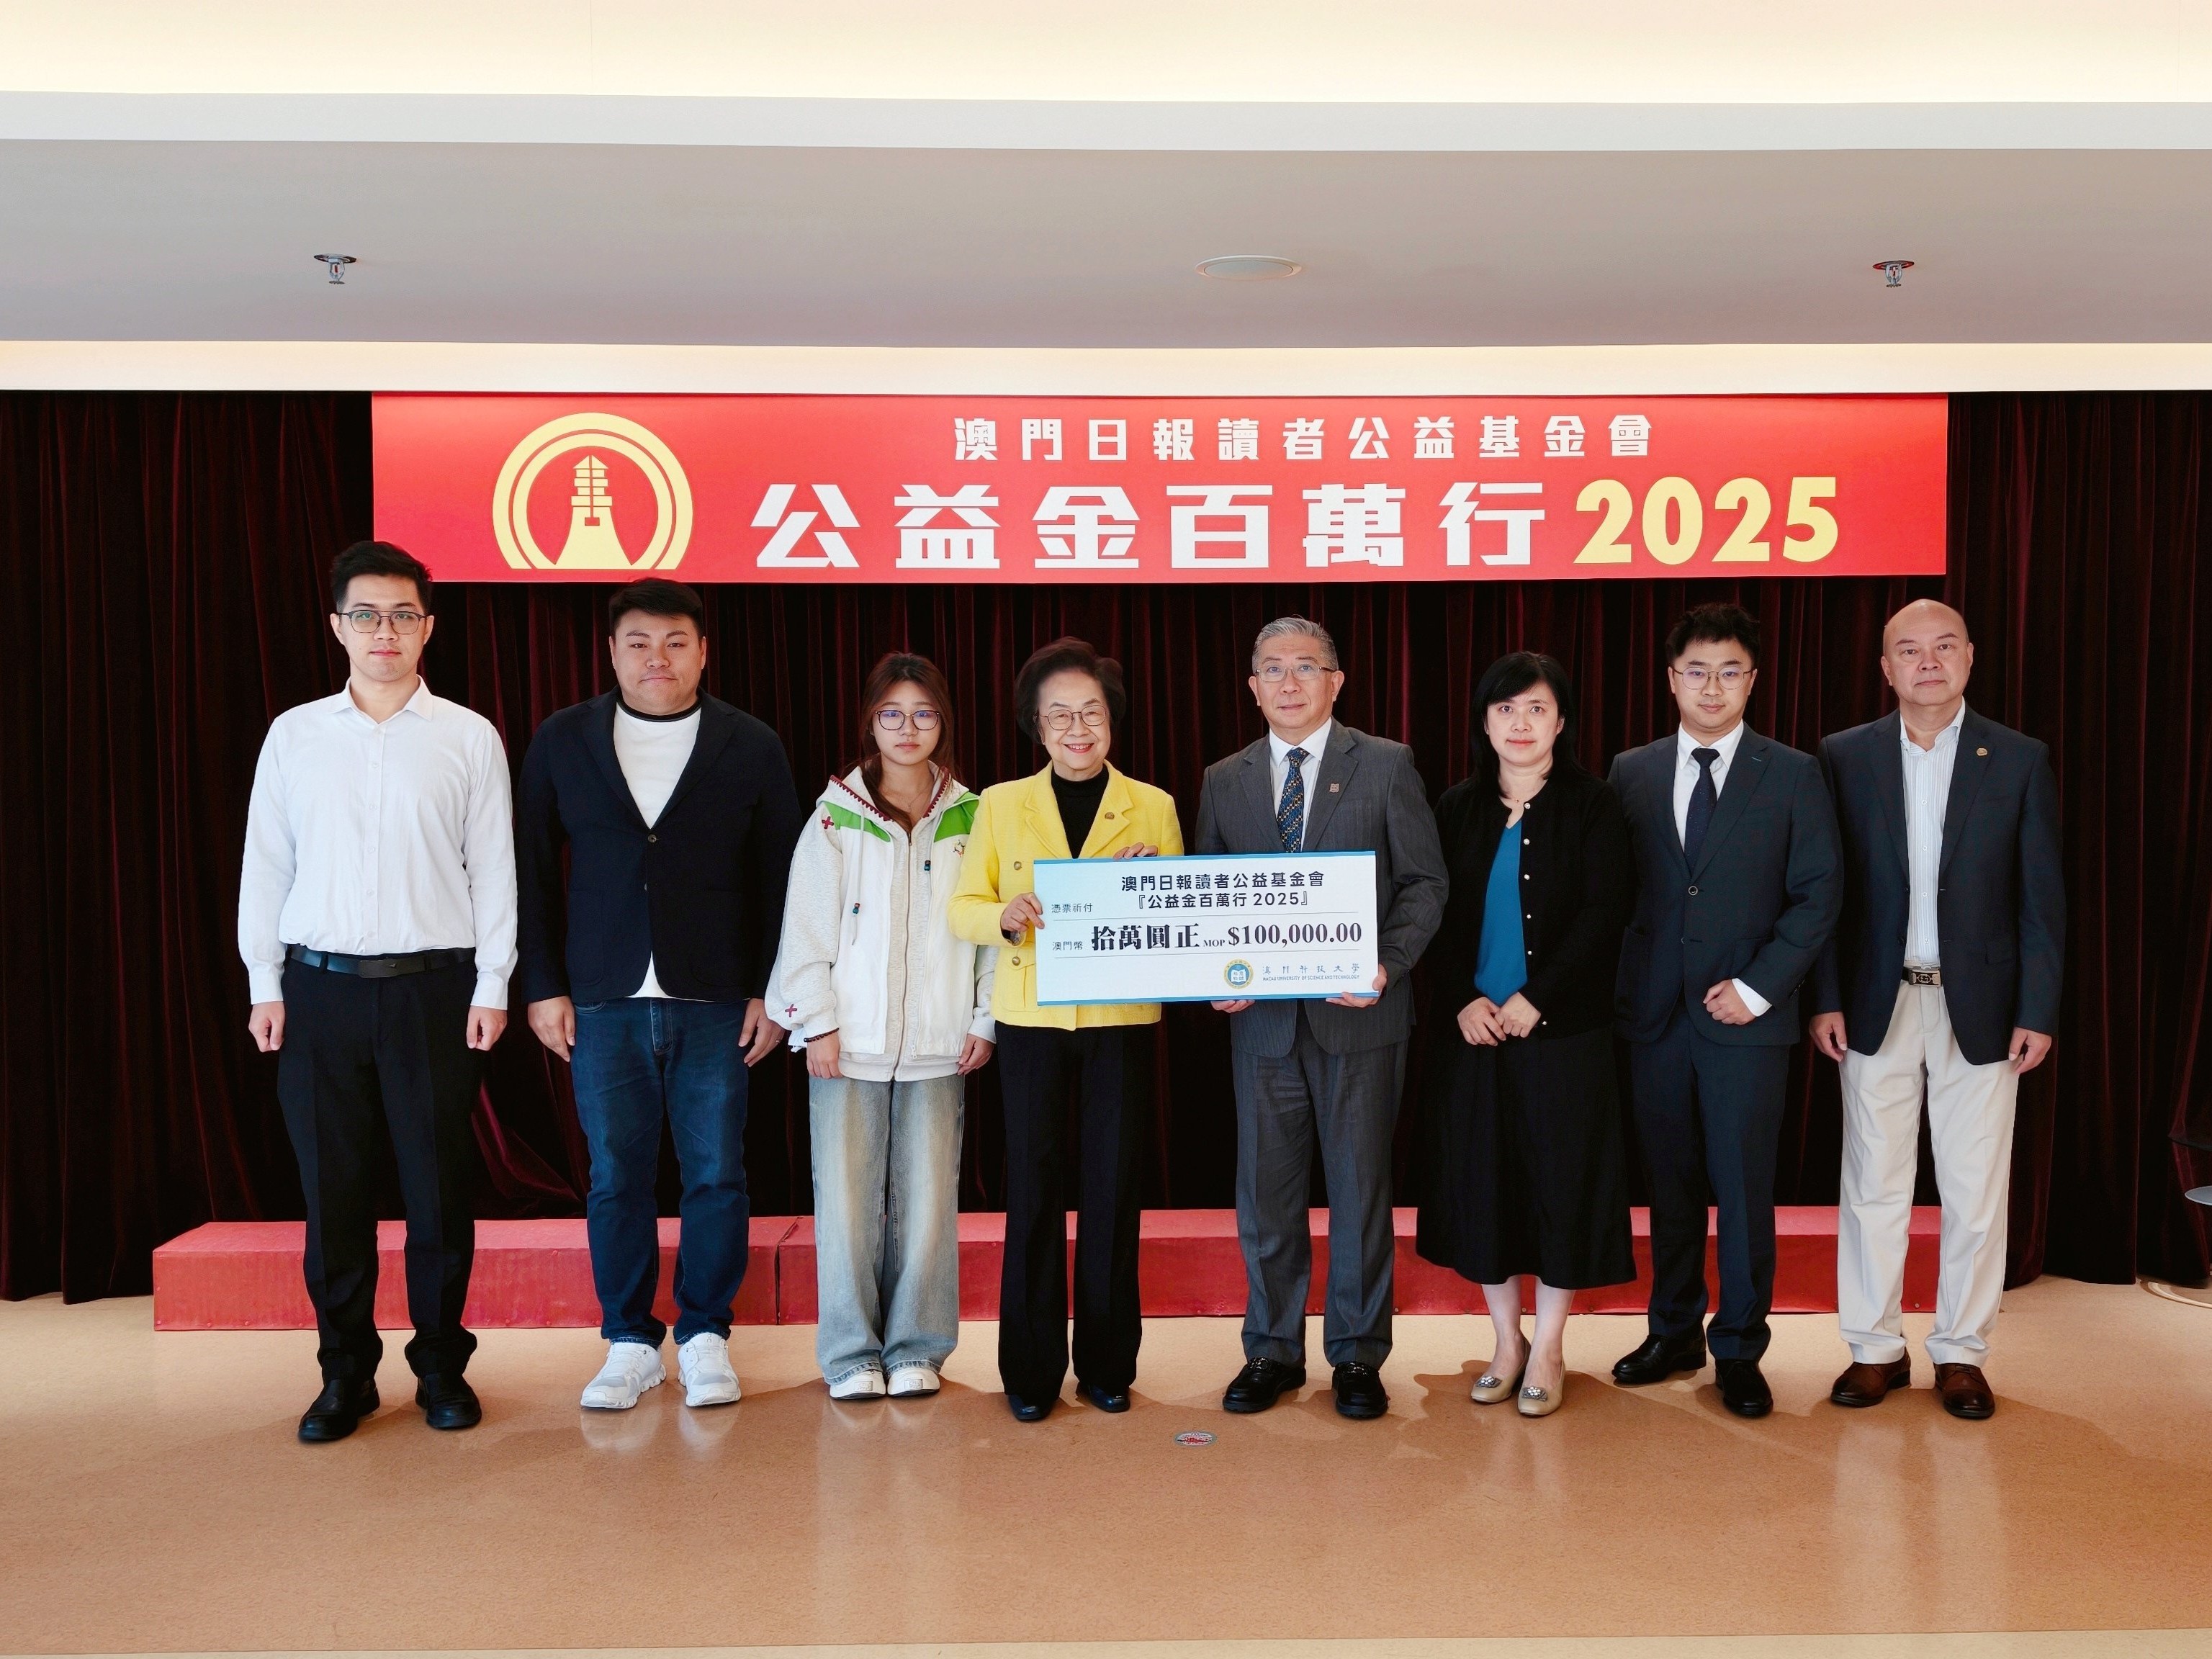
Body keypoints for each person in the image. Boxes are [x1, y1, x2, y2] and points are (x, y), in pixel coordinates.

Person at [238, 539, 516, 1443]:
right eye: (365, 615)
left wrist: (494, 983)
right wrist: (264, 981)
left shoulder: (468, 736)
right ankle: (344, 1374)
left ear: (428, 627)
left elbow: (495, 870)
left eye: (402, 615)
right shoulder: (295, 735)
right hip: (317, 993)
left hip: (434, 992)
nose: (384, 632)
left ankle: (441, 1367)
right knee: (335, 1197)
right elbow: (266, 864)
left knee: (438, 1192)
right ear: (337, 626)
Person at [516, 578, 804, 1413]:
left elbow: (784, 878)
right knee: (616, 1177)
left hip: (715, 998)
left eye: (676, 642)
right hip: (601, 997)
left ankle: (707, 1332)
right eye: (639, 642)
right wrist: (543, 985)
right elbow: (529, 870)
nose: (657, 658)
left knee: (716, 1174)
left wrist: (773, 990)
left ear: (703, 651)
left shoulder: (750, 743)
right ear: (612, 651)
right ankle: (630, 1341)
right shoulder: (564, 739)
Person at [1811, 599, 2064, 1421]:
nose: (1928, 662)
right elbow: (1824, 893)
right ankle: (1874, 1350)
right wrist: (1825, 996)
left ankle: (1961, 1352)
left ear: (1970, 657)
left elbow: (2041, 898)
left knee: (1974, 1189)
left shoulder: (2018, 758)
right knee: (1872, 1185)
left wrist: (2038, 1005)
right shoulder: (1844, 756)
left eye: (1944, 646)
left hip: (1983, 1004)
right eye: (1910, 650)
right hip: (1875, 1000)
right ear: (1886, 668)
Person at [1196, 617, 1447, 1421]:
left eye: (1307, 666)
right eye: (1273, 668)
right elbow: (1207, 896)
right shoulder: (1223, 779)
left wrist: (1388, 962)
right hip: (1262, 1026)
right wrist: (1211, 974)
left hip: (1360, 1019)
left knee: (1361, 1193)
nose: (1290, 682)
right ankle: (1271, 1351)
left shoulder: (1386, 764)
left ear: (1336, 682)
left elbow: (1425, 883)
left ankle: (1358, 1355)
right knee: (1265, 1198)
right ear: (1253, 687)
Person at [1608, 603, 1840, 1418]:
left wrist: (1759, 986)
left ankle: (1739, 1347)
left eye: (1730, 671)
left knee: (1742, 1190)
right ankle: (1672, 1330)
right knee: (1668, 1185)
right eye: (1697, 671)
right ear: (1672, 679)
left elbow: (1819, 893)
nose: (1713, 687)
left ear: (1753, 680)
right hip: (1653, 1017)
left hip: (1748, 1019)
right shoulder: (1631, 770)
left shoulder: (1794, 773)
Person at [948, 638, 1182, 1421]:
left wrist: (1153, 885)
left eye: (1091, 713)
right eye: (1060, 716)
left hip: (1121, 1020)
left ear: (1112, 719)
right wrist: (1004, 914)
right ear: (1036, 726)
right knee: (1034, 1189)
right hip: (1031, 1020)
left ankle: (1108, 1367)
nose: (1078, 729)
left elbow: (1178, 923)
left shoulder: (1154, 805)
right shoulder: (1000, 803)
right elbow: (962, 908)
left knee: (1114, 1191)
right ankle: (1030, 1372)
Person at [765, 652, 996, 1402]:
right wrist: (817, 1023)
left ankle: (918, 1347)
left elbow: (992, 929)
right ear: (870, 722)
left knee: (929, 1205)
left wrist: (985, 1017)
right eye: (891, 714)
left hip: (940, 1043)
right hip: (848, 1044)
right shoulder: (835, 816)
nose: (907, 728)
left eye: (923, 714)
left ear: (944, 723)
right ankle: (850, 1354)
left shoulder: (973, 816)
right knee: (845, 1205)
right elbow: (806, 927)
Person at [1415, 652, 1636, 1418]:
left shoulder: (1594, 804)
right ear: (1484, 721)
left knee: (1561, 1189)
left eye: (1537, 709)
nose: (1520, 723)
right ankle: (1506, 1343)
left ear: (1561, 721)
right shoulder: (1455, 808)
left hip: (1563, 1034)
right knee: (1486, 1190)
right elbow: (1431, 914)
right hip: (1474, 1036)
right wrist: (1462, 1000)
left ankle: (1548, 1346)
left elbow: (1606, 913)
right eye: (1506, 709)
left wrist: (1537, 998)